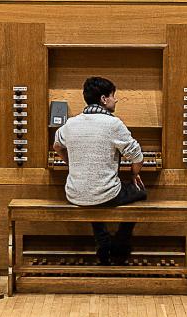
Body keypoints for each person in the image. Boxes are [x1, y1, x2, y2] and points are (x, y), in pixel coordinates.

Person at [53, 76, 146, 264]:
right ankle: (119, 245)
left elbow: (57, 145)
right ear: (104, 99)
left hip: (74, 193)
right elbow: (137, 155)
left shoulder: (70, 123)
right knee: (140, 192)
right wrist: (135, 174)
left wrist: (71, 164)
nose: (116, 99)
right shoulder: (113, 124)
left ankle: (103, 243)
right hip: (105, 194)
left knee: (94, 196)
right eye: (113, 96)